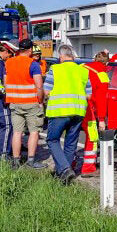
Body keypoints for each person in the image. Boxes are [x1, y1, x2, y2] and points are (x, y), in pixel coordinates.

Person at [44, 45, 92, 184]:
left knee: (52, 140)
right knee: (71, 143)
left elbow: (47, 91)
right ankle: (64, 177)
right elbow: (89, 95)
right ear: (73, 56)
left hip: (59, 111)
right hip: (78, 112)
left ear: (61, 57)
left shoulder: (55, 69)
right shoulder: (83, 71)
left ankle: (64, 169)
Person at [5, 39, 47, 169]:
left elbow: (5, 82)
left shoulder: (9, 62)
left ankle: (16, 161)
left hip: (14, 102)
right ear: (30, 50)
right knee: (34, 132)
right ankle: (31, 161)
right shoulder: (33, 64)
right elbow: (39, 86)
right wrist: (40, 101)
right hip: (31, 103)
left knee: (17, 132)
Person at [80, 51, 110, 176]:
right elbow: (101, 99)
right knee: (92, 137)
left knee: (71, 135)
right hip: (88, 108)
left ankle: (68, 164)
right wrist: (102, 119)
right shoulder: (102, 74)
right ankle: (88, 168)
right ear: (106, 63)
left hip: (71, 104)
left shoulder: (82, 67)